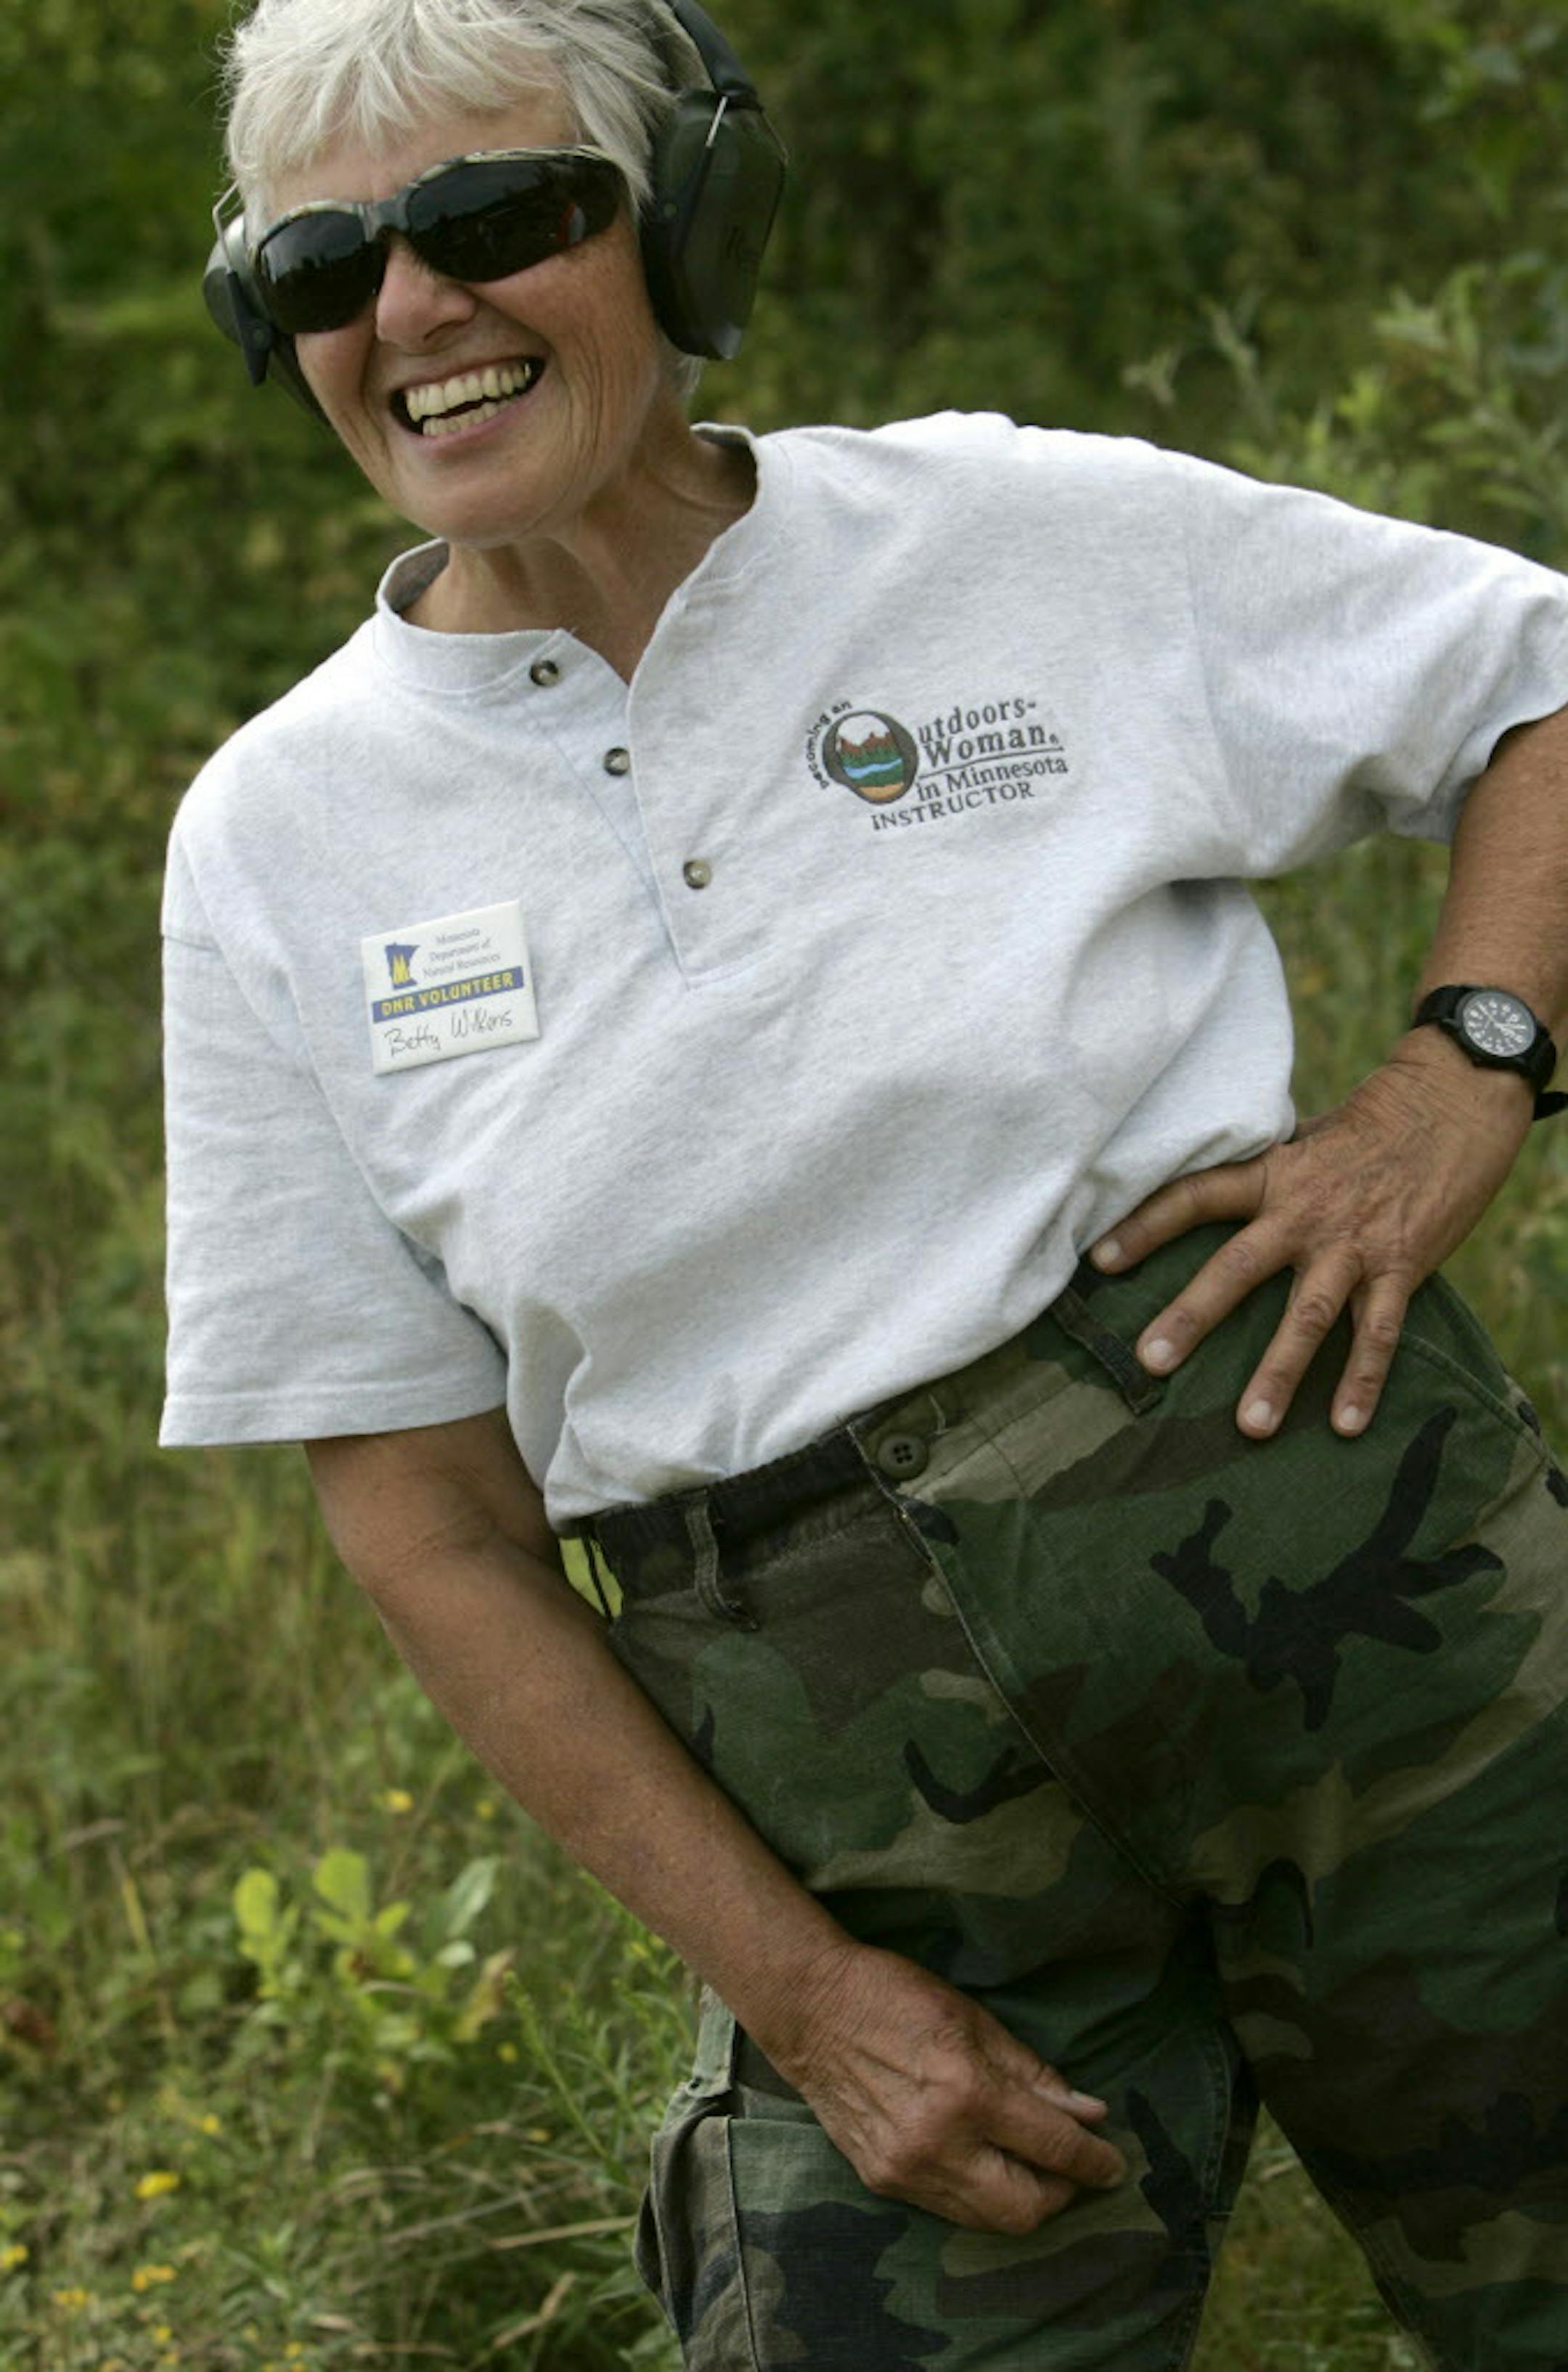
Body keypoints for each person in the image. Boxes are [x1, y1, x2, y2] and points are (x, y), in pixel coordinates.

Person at [163, 1, 1568, 2363]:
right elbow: (428, 1524)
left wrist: (1466, 1075)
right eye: (328, 264)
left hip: (1396, 1633)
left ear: (686, 221)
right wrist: (809, 1997)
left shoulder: (1013, 533)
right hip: (878, 1861)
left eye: (501, 217)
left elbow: (1535, 685)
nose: (416, 308)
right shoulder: (274, 847)